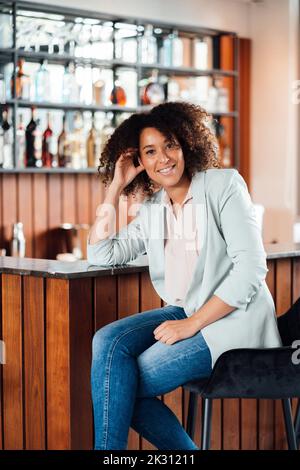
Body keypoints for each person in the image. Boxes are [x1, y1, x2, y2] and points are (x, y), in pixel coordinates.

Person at [87, 101, 282, 450]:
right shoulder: (153, 209)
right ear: (140, 162)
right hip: (187, 311)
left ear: (186, 144)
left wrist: (191, 326)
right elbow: (100, 254)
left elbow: (252, 268)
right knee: (107, 342)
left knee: (120, 386)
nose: (163, 158)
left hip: (234, 318)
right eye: (150, 152)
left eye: (170, 145)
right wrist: (114, 188)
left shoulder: (223, 186)